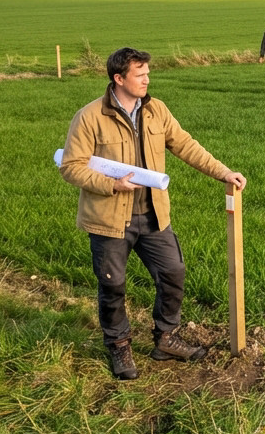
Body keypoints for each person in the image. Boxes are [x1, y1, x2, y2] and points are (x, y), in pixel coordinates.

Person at [59, 47, 247, 380]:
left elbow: (186, 144)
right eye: (139, 74)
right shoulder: (89, 117)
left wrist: (223, 172)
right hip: (109, 219)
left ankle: (166, 339)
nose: (147, 79)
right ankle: (119, 346)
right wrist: (111, 184)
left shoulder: (156, 110)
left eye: (147, 73)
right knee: (112, 285)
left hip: (153, 216)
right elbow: (71, 167)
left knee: (173, 273)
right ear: (119, 79)